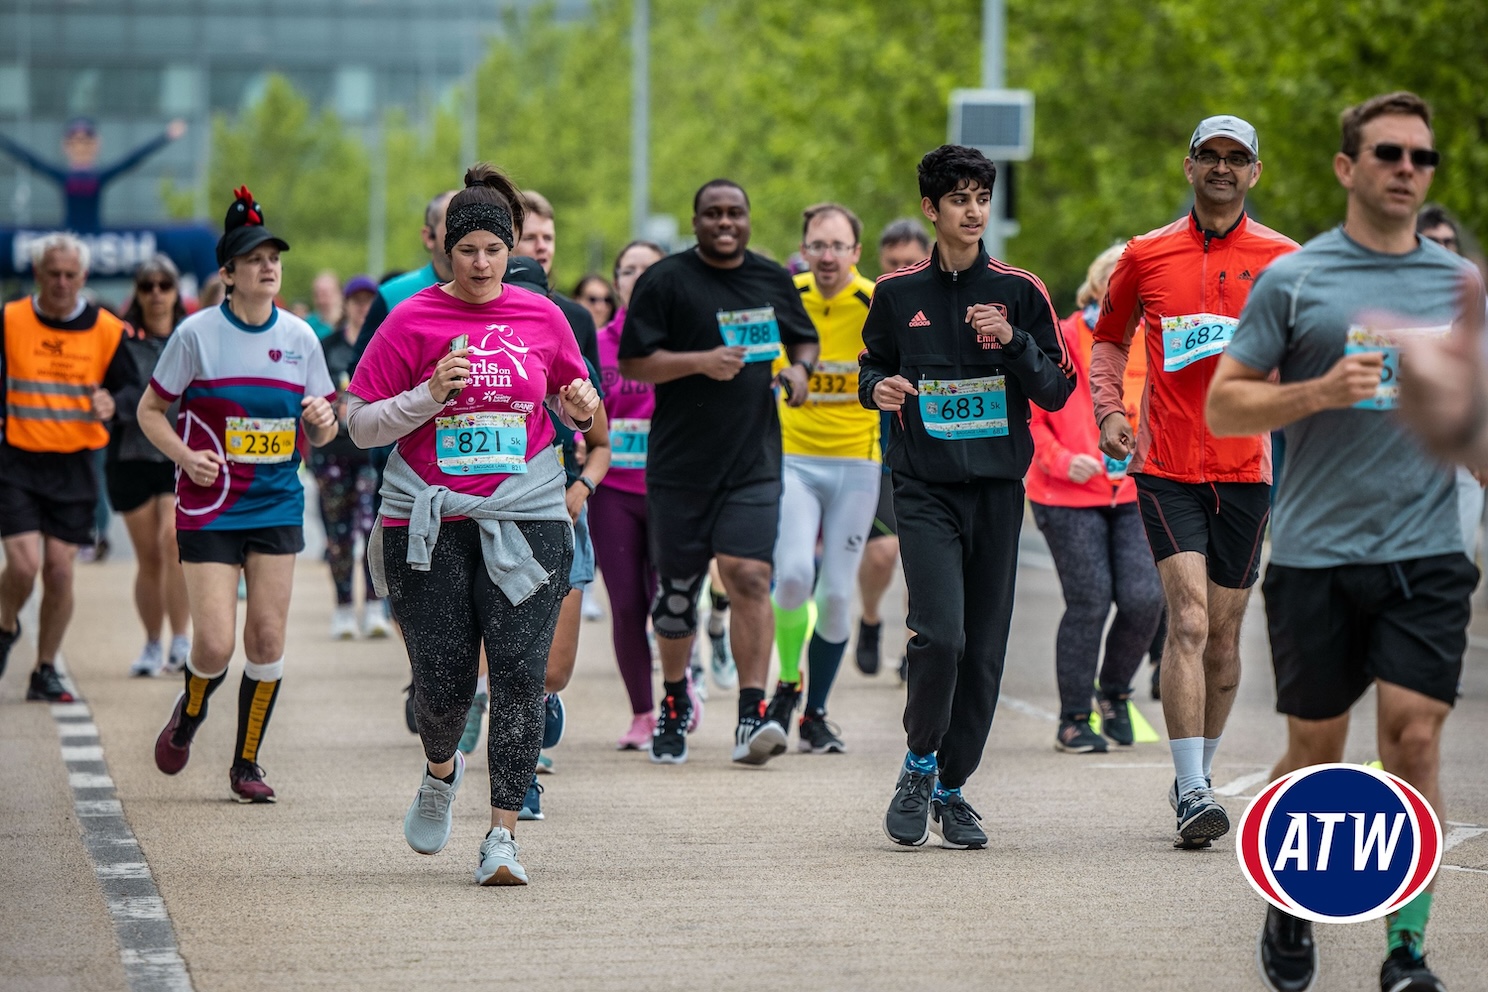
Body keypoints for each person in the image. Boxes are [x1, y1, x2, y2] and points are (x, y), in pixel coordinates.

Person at [1207, 91, 1480, 992]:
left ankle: (1407, 952)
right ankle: (1292, 901)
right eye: (1390, 154)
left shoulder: (1460, 286)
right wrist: (1315, 393)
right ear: (1346, 167)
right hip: (1319, 555)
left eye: (1422, 158)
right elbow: (1226, 402)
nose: (1408, 170)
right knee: (1318, 751)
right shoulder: (1294, 279)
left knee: (1413, 741)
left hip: (1427, 549)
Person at [346, 163, 597, 886]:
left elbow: (579, 408)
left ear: (510, 248)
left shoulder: (542, 316)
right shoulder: (412, 318)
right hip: (427, 517)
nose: (481, 263)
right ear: (446, 252)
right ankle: (439, 770)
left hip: (528, 514)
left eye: (493, 249)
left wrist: (580, 406)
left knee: (522, 677)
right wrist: (426, 397)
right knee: (442, 684)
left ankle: (503, 836)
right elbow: (361, 426)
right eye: (468, 251)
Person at [1091, 115, 1298, 849]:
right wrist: (1109, 409)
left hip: (1246, 468)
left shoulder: (1284, 260)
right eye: (1208, 156)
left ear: (1254, 172)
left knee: (1225, 635)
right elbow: (1107, 337)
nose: (1221, 168)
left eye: (1235, 158)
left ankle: (1197, 776)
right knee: (1187, 620)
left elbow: (1311, 351)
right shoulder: (1146, 254)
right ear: (1188, 167)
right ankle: (1191, 789)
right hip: (1166, 464)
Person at [861, 145, 1074, 850]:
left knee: (983, 651)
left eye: (981, 196)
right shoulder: (897, 295)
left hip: (996, 491)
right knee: (941, 635)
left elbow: (1057, 389)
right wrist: (878, 390)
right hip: (922, 488)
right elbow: (873, 369)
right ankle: (919, 762)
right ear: (931, 209)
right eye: (958, 198)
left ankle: (952, 788)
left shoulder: (1020, 290)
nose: (973, 210)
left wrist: (1012, 342)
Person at [142, 187, 338, 804]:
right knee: (216, 644)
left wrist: (321, 420)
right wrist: (183, 455)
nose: (269, 266)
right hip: (211, 505)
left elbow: (325, 427)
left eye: (274, 257)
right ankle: (191, 711)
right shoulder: (196, 335)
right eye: (254, 258)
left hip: (277, 500)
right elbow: (151, 411)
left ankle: (246, 763)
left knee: (268, 639)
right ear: (228, 273)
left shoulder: (302, 338)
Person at [619, 178, 819, 766]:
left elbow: (802, 341)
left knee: (749, 575)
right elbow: (634, 360)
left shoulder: (768, 278)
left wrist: (800, 373)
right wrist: (700, 363)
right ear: (696, 219)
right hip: (680, 466)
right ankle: (675, 701)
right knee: (679, 593)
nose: (725, 222)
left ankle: (751, 716)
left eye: (735, 212)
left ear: (749, 218)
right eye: (713, 213)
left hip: (754, 459)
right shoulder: (666, 280)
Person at [1029, 245, 1164, 753]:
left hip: (1134, 486)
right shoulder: (1062, 337)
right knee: (1089, 600)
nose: (1124, 289)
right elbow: (1029, 414)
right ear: (1095, 285)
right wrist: (1063, 460)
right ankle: (1073, 720)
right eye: (1115, 278)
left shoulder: (1157, 340)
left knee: (1144, 598)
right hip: (1065, 491)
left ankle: (1114, 692)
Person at [498, 245, 612, 819]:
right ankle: (519, 782)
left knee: (551, 670)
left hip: (559, 516)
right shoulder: (483, 368)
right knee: (509, 660)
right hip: (493, 519)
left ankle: (542, 708)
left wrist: (582, 488)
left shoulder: (570, 372)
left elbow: (601, 446)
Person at [765, 202, 882, 754]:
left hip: (858, 464)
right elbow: (763, 365)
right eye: (818, 245)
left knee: (837, 596)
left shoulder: (876, 300)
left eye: (838, 246)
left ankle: (816, 713)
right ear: (804, 249)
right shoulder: (787, 297)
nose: (828, 256)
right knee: (790, 576)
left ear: (856, 253)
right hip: (793, 458)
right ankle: (787, 684)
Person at [0, 233, 132, 699]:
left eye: (69, 275)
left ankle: (44, 668)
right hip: (16, 459)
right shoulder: (10, 319)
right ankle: (4, 626)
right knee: (22, 565)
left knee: (58, 570)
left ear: (84, 277)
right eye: (52, 274)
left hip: (75, 464)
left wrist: (112, 402)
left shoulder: (108, 330)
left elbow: (135, 392)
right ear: (37, 275)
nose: (61, 282)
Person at [588, 240, 665, 749]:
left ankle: (683, 686)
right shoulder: (594, 343)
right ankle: (643, 711)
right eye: (627, 270)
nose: (636, 279)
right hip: (613, 489)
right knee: (627, 605)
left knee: (670, 601)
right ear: (615, 283)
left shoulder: (683, 341)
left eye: (648, 271)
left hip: (670, 490)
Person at [855, 218, 930, 682]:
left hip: (930, 449)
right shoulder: (872, 304)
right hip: (875, 450)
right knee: (884, 554)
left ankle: (912, 647)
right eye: (893, 262)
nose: (901, 269)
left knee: (919, 558)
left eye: (910, 261)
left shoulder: (939, 301)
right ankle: (868, 618)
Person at [111, 254, 192, 676]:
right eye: (148, 286)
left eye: (165, 285)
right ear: (137, 294)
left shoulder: (191, 335)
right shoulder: (119, 343)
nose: (157, 294)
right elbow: (109, 393)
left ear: (177, 292)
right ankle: (151, 642)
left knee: (172, 541)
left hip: (180, 453)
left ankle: (180, 641)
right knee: (149, 558)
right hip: (131, 457)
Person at [313, 274, 388, 640]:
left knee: (373, 528)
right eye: (356, 300)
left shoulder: (383, 343)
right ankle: (343, 606)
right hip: (333, 454)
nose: (362, 307)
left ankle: (375, 604)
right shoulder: (327, 347)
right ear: (346, 304)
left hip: (371, 453)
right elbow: (312, 394)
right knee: (338, 535)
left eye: (368, 300)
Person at [1415, 205, 1486, 561]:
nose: (1443, 250)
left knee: (1457, 557)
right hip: (1408, 449)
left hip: (1461, 451)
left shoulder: (1473, 298)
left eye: (1449, 242)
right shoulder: (1399, 298)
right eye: (1432, 242)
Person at [0, 117, 187, 231]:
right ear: (66, 146)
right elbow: (30, 159)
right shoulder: (69, 177)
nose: (81, 147)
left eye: (86, 141)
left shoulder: (95, 177)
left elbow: (132, 159)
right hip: (72, 235)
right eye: (76, 142)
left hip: (95, 238)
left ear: (96, 144)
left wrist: (165, 137)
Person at [306, 270, 344, 341]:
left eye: (325, 294)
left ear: (339, 294)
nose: (321, 301)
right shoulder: (308, 325)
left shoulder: (350, 324)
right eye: (317, 295)